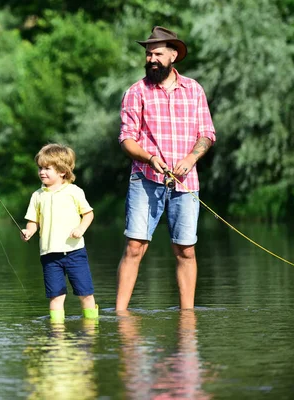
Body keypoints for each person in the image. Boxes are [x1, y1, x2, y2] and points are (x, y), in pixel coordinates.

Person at [116, 26, 216, 311]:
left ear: (173, 55)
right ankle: (121, 314)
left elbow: (207, 133)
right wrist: (149, 159)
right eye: (148, 54)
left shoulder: (194, 89)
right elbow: (126, 139)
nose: (151, 59)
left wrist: (191, 159)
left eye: (157, 53)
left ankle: (187, 315)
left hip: (186, 183)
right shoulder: (136, 92)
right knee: (135, 247)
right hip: (145, 179)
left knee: (185, 249)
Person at [21, 144, 98, 323]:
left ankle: (91, 327)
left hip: (75, 252)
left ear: (62, 171)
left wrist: (80, 229)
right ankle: (56, 332)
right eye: (40, 167)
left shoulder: (74, 191)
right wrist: (28, 231)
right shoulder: (37, 196)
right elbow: (33, 221)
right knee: (55, 296)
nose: (42, 172)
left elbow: (88, 214)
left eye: (47, 168)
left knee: (85, 293)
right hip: (49, 255)